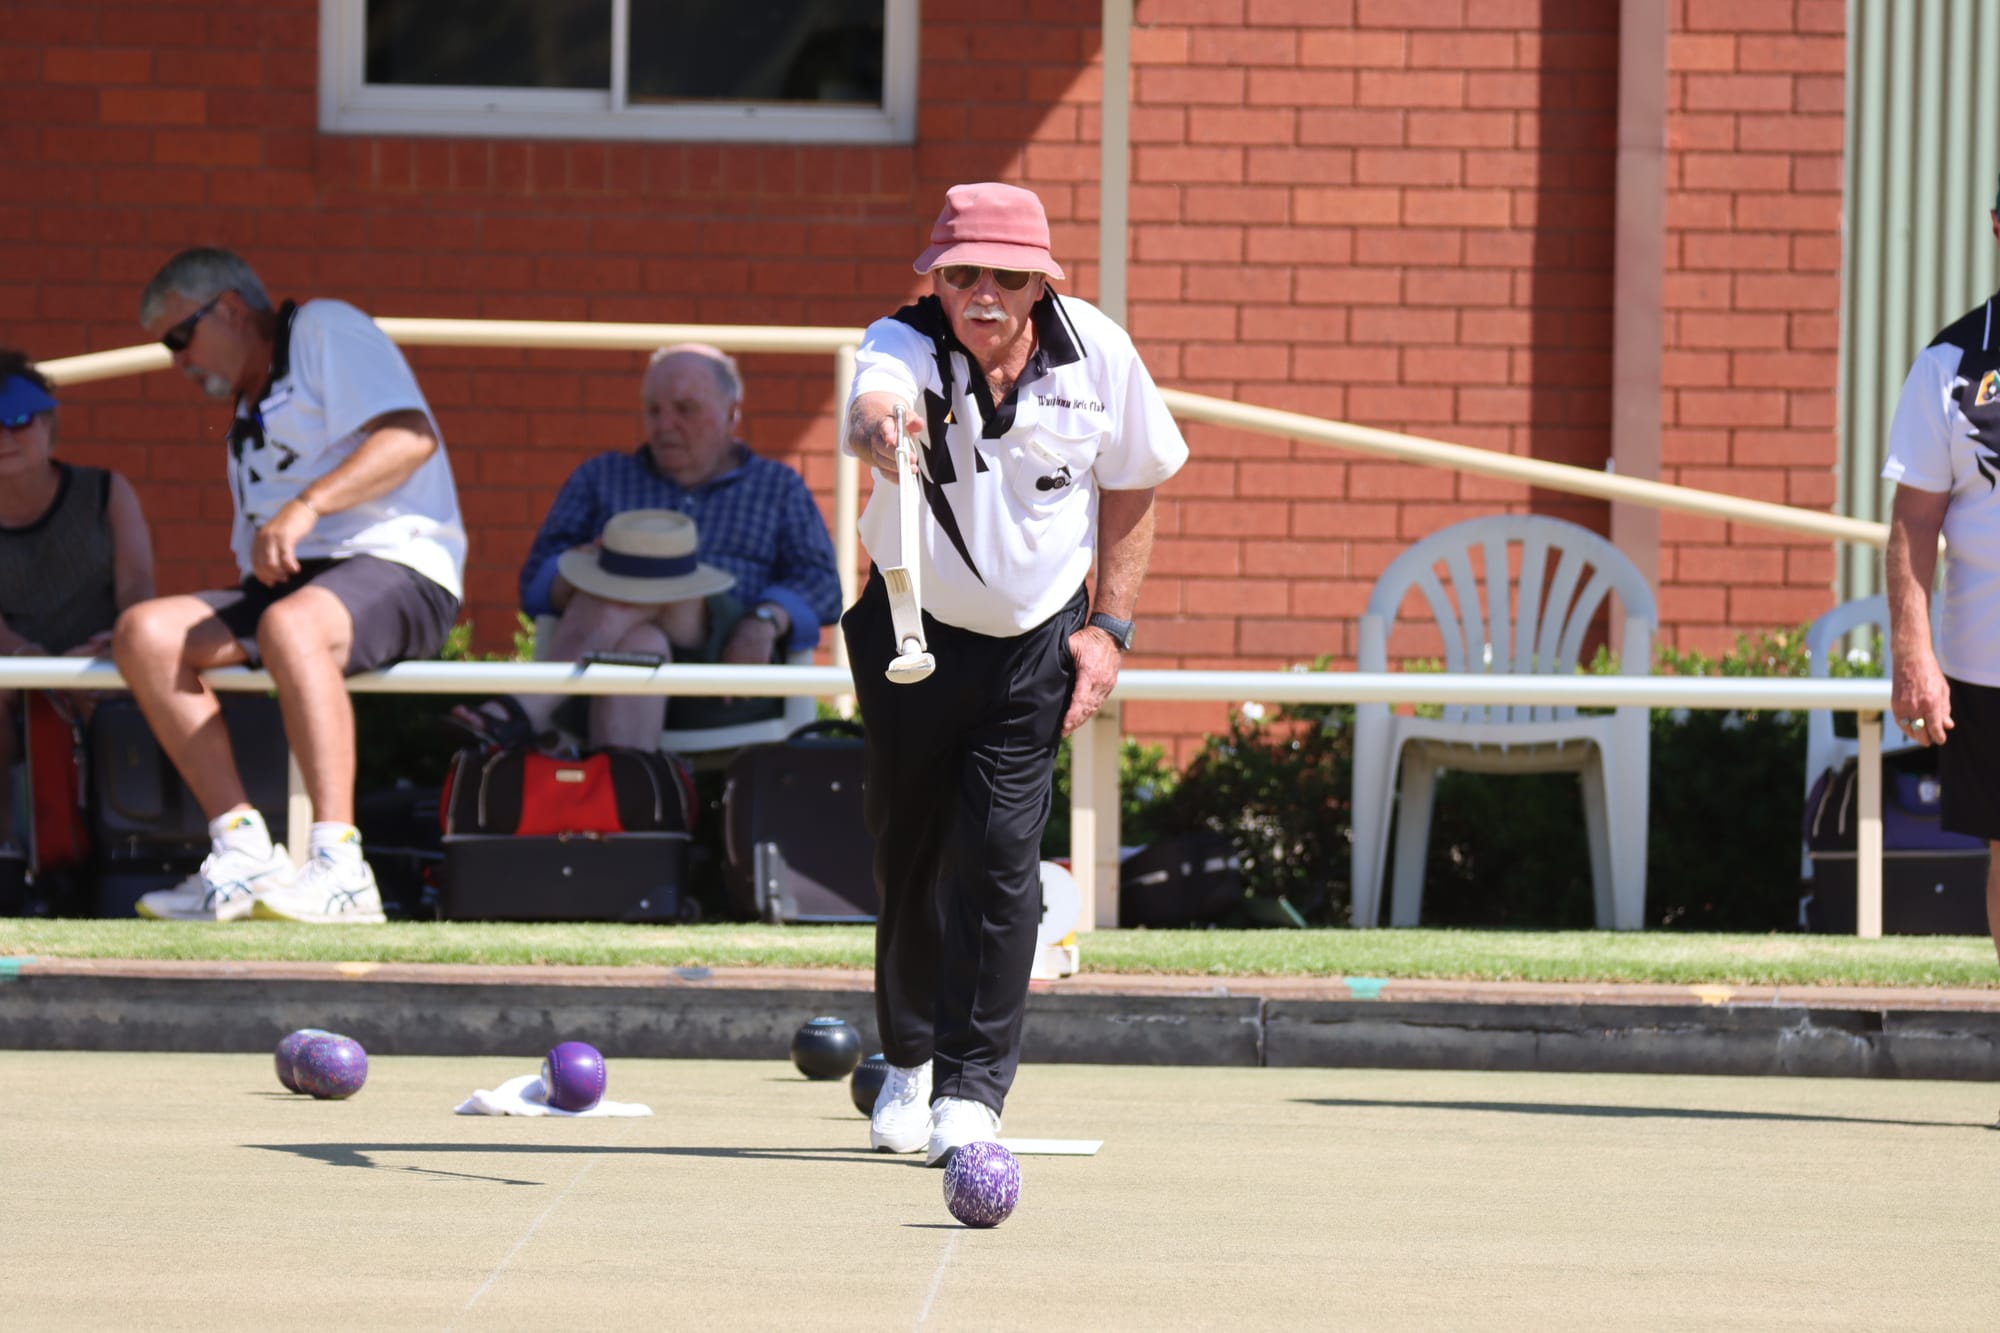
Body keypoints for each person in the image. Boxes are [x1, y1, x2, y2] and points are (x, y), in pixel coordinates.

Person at [841, 183, 1187, 1165]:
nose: (981, 292)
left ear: (1041, 282)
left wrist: (1108, 628)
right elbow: (872, 406)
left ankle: (971, 1090)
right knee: (907, 855)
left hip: (1035, 641)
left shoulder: (1099, 353)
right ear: (935, 280)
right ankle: (908, 1058)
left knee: (1000, 859)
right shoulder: (901, 342)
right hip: (907, 632)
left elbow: (1134, 483)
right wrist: (883, 431)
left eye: (1004, 274)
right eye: (961, 274)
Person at [117, 248, 466, 924]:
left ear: (227, 307)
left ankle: (341, 869)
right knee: (145, 633)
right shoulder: (248, 407)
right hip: (297, 587)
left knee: (291, 625)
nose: (176, 361)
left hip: (400, 565)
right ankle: (243, 852)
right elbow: (264, 565)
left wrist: (307, 505)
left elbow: (410, 437)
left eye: (179, 338)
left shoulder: (322, 330)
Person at [451, 343, 840, 751]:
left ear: (732, 413)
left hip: (722, 670)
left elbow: (822, 585)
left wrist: (763, 619)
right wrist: (579, 570)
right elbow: (535, 582)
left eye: (685, 409)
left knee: (640, 574)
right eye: (653, 410)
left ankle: (521, 710)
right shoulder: (602, 476)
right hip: (604, 667)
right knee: (642, 642)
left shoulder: (776, 486)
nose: (665, 425)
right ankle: (633, 805)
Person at [1882, 179, 2000, 965]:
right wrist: (1914, 657)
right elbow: (1913, 523)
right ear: (1996, 226)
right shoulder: (1952, 362)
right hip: (1988, 664)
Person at [0, 350, 156, 858]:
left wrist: (116, 644)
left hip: (102, 662)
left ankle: (137, 848)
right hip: (13, 671)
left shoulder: (105, 491)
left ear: (48, 425)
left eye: (20, 421)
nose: (6, 437)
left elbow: (136, 590)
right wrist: (35, 668)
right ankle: (6, 848)